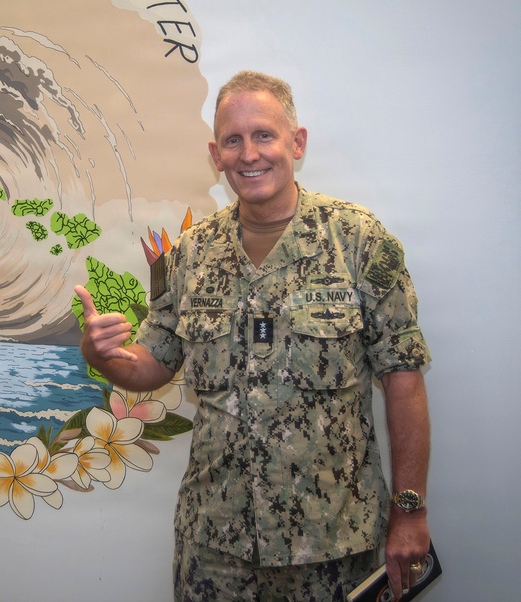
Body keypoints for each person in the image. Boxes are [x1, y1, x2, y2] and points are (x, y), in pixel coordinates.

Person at [76, 71, 431, 601]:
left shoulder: (358, 242)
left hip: (335, 544)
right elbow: (154, 362)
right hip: (215, 547)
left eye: (264, 134)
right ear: (215, 155)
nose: (249, 154)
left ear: (297, 142)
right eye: (233, 141)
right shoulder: (190, 254)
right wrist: (102, 356)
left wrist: (410, 512)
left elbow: (404, 381)